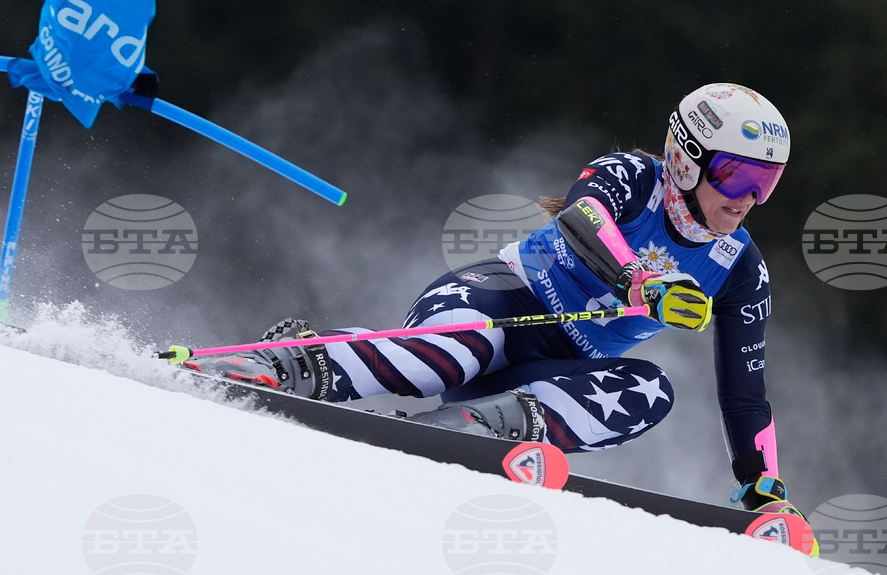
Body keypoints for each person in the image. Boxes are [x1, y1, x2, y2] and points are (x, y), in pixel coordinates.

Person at [185, 83, 804, 518]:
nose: (747, 199)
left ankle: (481, 428)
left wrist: (761, 483)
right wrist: (640, 284)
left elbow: (745, 389)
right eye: (735, 176)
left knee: (652, 390)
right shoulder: (630, 176)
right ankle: (294, 363)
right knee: (454, 353)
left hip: (551, 374)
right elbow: (583, 222)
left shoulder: (739, 266)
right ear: (684, 158)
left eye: (765, 184)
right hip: (501, 303)